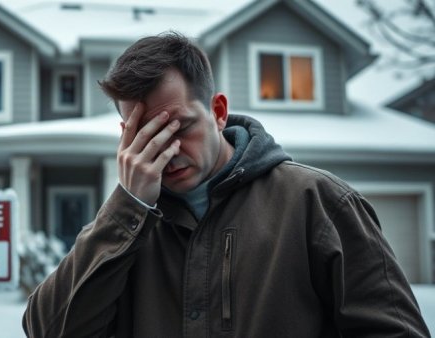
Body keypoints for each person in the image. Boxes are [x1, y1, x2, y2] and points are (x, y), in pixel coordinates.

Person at [22, 32, 430, 337]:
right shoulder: (124, 228)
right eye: (146, 136)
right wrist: (127, 207)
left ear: (218, 111)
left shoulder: (318, 203)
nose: (171, 151)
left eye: (180, 126)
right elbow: (48, 330)